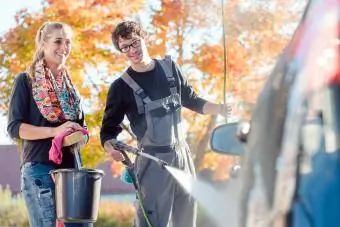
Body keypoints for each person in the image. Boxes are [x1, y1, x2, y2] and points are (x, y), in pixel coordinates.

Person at [100, 20, 228, 227]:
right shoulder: (120, 87)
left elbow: (191, 100)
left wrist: (219, 108)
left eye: (134, 43)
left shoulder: (170, 69)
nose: (131, 50)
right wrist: (111, 149)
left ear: (144, 38)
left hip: (182, 156)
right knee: (152, 222)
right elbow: (107, 131)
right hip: (152, 161)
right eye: (125, 48)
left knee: (186, 218)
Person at [7, 22, 91, 227]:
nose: (64, 47)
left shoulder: (71, 89)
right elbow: (15, 128)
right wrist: (55, 131)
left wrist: (81, 134)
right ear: (43, 44)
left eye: (68, 42)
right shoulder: (25, 81)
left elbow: (83, 128)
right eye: (58, 41)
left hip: (72, 172)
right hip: (40, 170)